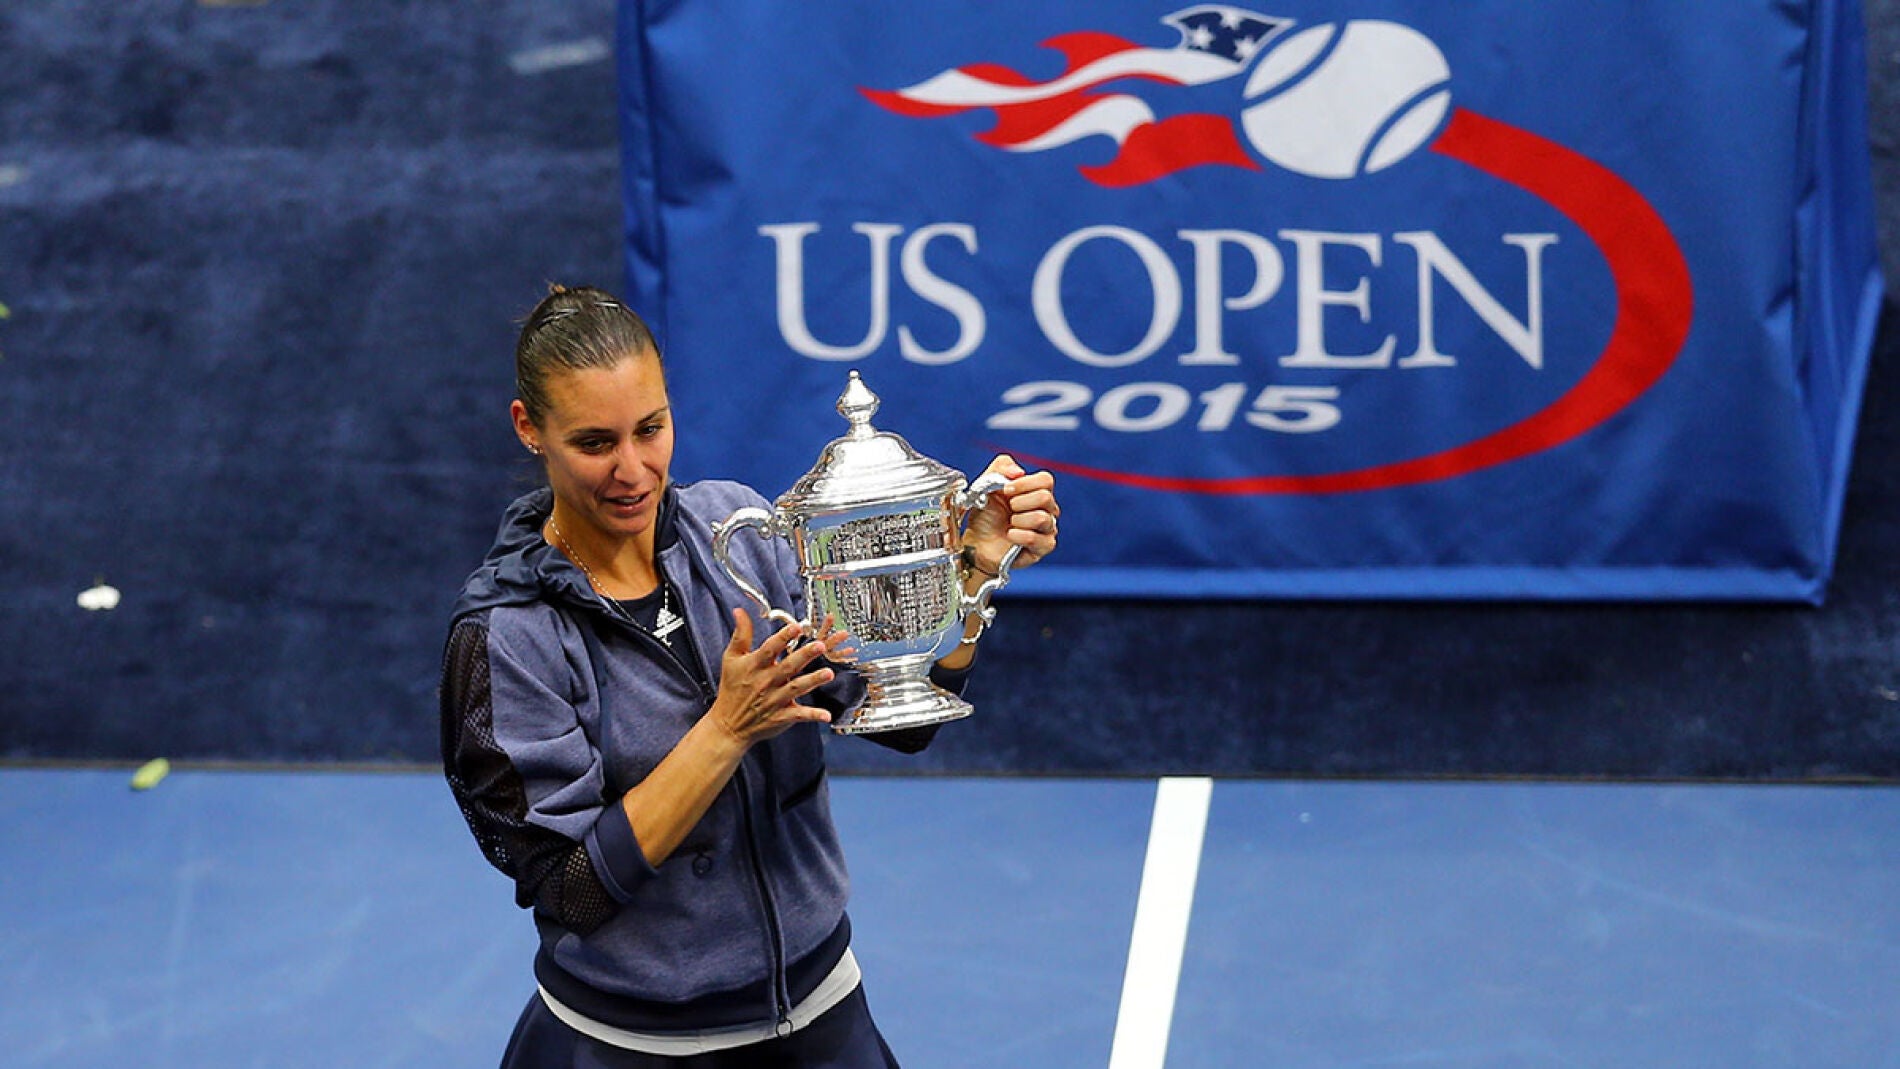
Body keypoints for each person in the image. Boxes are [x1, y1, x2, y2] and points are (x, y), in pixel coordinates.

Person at [439, 284, 1060, 1067]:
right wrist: (726, 729)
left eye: (651, 429)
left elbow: (906, 720)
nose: (633, 469)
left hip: (822, 1020)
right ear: (531, 429)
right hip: (624, 1047)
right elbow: (573, 889)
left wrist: (967, 577)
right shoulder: (506, 635)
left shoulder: (739, 533)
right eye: (596, 442)